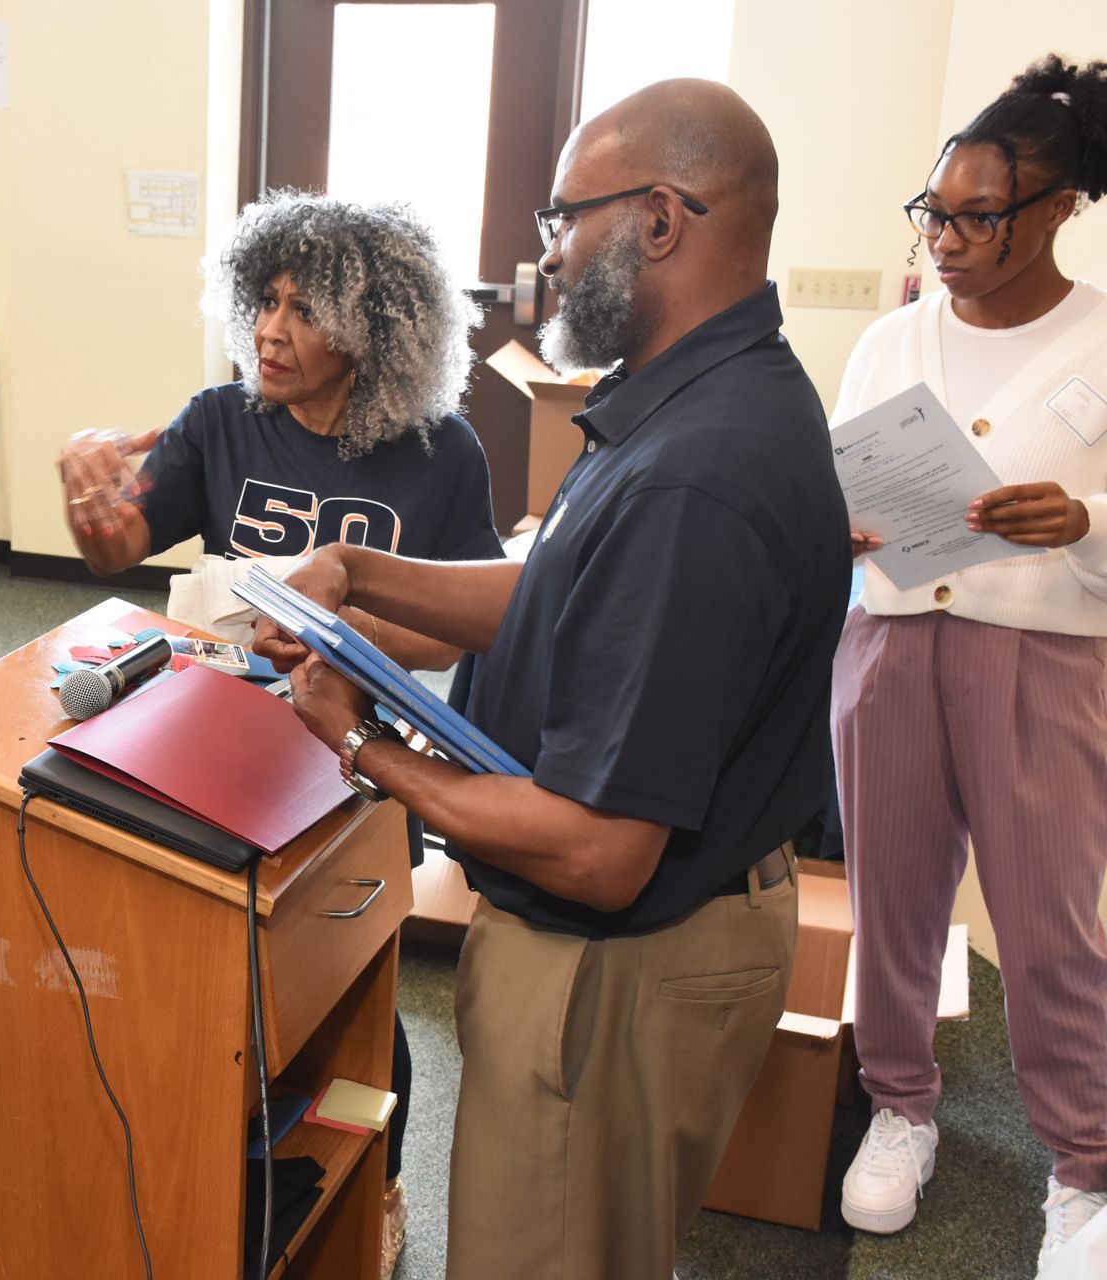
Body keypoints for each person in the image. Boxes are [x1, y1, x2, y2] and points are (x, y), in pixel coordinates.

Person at [253, 80, 849, 1278]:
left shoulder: (697, 474)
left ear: (662, 220)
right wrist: (360, 572)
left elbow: (595, 846)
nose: (549, 254)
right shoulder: (687, 400)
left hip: (618, 962)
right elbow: (564, 595)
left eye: (564, 219)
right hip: (637, 941)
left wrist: (361, 743)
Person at [55, 190, 503, 1278]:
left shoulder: (443, 455)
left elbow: (459, 632)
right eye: (265, 300)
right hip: (222, 755)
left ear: (377, 327)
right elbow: (118, 546)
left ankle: (378, 1174)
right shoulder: (221, 418)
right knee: (215, 978)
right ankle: (213, 1168)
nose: (270, 328)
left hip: (358, 767)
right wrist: (88, 486)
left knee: (355, 991)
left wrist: (341, 631)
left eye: (305, 311)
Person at [830, 55, 1107, 1274]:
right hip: (888, 640)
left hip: (1043, 657)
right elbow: (838, 474)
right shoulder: (892, 342)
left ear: (1057, 210)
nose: (945, 238)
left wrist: (1088, 518)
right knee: (891, 893)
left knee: (1049, 924)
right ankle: (901, 1101)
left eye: (977, 217)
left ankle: (1085, 1167)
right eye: (933, 212)